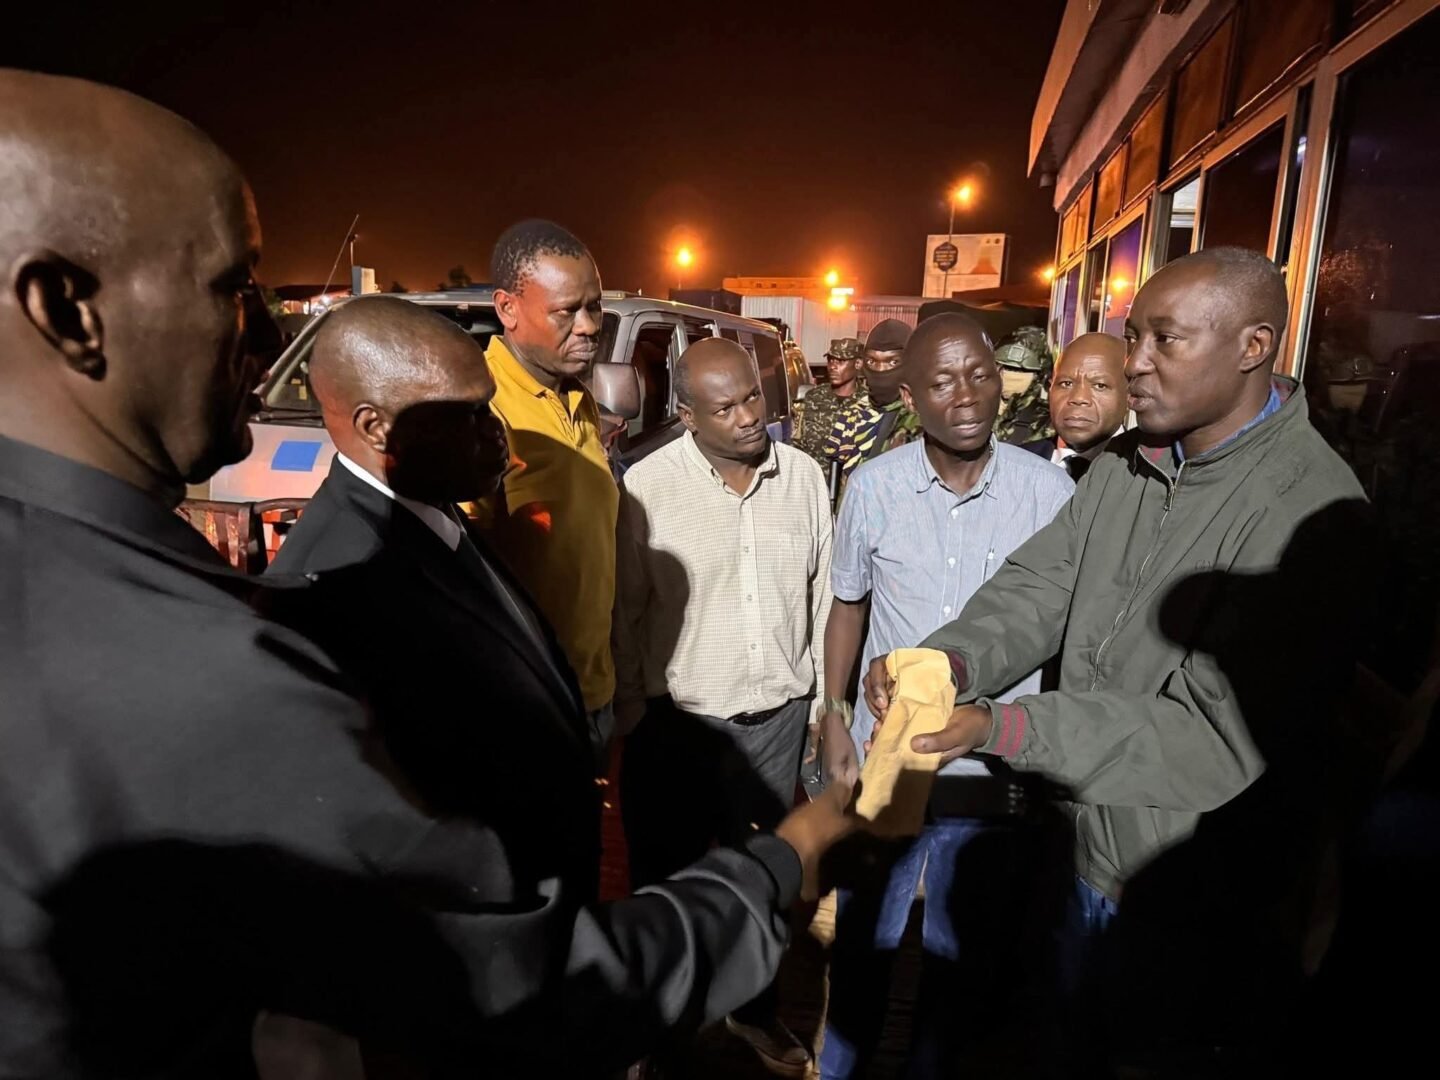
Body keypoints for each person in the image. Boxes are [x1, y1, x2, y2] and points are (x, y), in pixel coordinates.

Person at [0, 70, 857, 1077]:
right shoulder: (188, 658)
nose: (273, 337)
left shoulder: (76, 571)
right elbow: (517, 985)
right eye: (235, 289)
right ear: (67, 308)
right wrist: (784, 860)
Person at [862, 247, 1374, 1070]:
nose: (1132, 364)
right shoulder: (1131, 464)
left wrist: (1003, 726)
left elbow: (1211, 736)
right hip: (1074, 848)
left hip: (1178, 896)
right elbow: (1038, 584)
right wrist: (948, 662)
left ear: (1253, 346)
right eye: (1133, 336)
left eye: (1163, 342)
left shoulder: (1312, 513)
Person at [267, 296, 602, 897]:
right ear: (377, 427)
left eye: (490, 409)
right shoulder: (334, 584)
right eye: (467, 416)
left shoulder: (432, 507)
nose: (495, 434)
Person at [816, 313, 1074, 1078]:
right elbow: (848, 605)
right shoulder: (873, 489)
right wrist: (833, 716)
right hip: (888, 765)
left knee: (963, 969)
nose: (966, 396)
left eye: (981, 375)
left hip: (993, 777)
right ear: (908, 394)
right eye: (941, 381)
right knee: (862, 951)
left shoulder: (1050, 493)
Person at [614, 338, 834, 1077]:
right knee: (666, 886)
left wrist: (817, 701)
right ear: (685, 416)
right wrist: (637, 710)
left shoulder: (803, 477)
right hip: (676, 725)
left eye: (753, 398)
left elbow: (823, 594)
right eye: (725, 407)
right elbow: (627, 611)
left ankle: (756, 1012)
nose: (748, 418)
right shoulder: (646, 487)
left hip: (774, 721)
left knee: (766, 885)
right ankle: (661, 1028)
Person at [478, 219, 618, 760]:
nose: (587, 326)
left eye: (595, 307)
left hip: (592, 698)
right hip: (524, 710)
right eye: (567, 312)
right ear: (508, 308)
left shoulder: (577, 399)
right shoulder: (481, 410)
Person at [1024, 331, 1129, 481]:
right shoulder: (1014, 464)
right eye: (1066, 384)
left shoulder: (1148, 474)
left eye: (1100, 386)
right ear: (1050, 389)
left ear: (1130, 395)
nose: (1079, 398)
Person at [794, 337, 883, 486]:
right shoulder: (814, 398)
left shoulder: (870, 403)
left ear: (858, 364)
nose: (833, 367)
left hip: (851, 488)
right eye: (831, 360)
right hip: (813, 484)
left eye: (840, 361)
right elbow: (798, 443)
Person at [856, 318, 921, 460]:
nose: (880, 370)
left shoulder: (921, 420)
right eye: (871, 361)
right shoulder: (854, 413)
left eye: (893, 362)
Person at [992, 324, 1056, 446]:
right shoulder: (976, 409)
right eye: (1006, 367)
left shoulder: (1047, 421)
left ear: (1038, 376)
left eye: (1022, 370)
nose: (1010, 374)